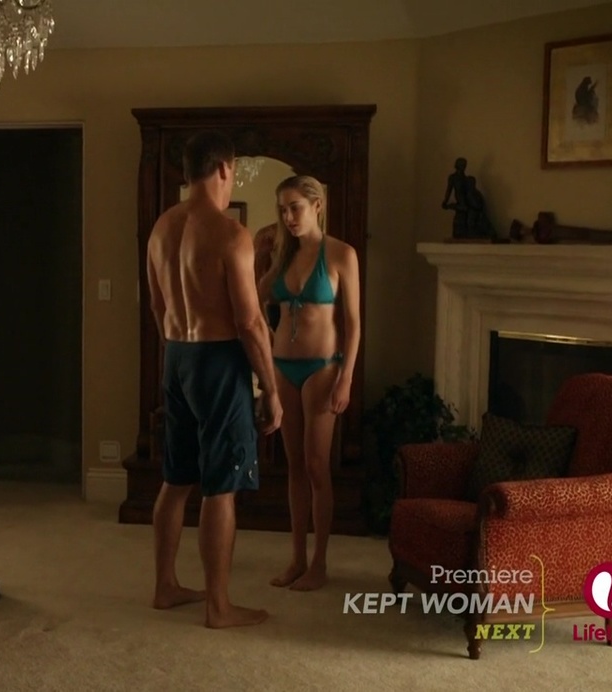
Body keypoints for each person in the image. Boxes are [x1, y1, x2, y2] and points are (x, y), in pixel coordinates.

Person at [147, 130, 283, 628]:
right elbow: (249, 322)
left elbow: (158, 306)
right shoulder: (230, 234)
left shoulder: (162, 228)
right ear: (225, 168)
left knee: (176, 479)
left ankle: (165, 586)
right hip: (219, 360)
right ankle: (219, 606)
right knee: (220, 486)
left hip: (177, 355)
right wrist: (271, 389)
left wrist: (178, 358)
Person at [257, 175, 361, 592]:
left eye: (295, 207)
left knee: (317, 465)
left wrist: (346, 378)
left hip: (323, 369)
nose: (288, 217)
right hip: (283, 367)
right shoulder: (283, 255)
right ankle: (297, 558)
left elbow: (353, 324)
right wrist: (259, 255)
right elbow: (254, 300)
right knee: (294, 466)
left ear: (317, 205)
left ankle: (319, 562)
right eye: (282, 209)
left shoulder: (341, 254)